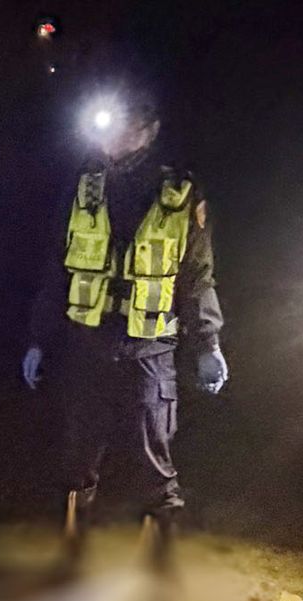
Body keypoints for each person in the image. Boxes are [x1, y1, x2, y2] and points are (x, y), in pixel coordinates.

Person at [23, 88, 228, 573]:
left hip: (149, 347)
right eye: (109, 125)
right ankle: (70, 560)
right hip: (87, 342)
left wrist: (209, 344)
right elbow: (57, 269)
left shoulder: (182, 192)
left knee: (153, 460)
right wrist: (38, 339)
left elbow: (197, 276)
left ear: (149, 131)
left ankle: (160, 573)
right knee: (77, 456)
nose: (115, 135)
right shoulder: (84, 186)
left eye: (127, 125)